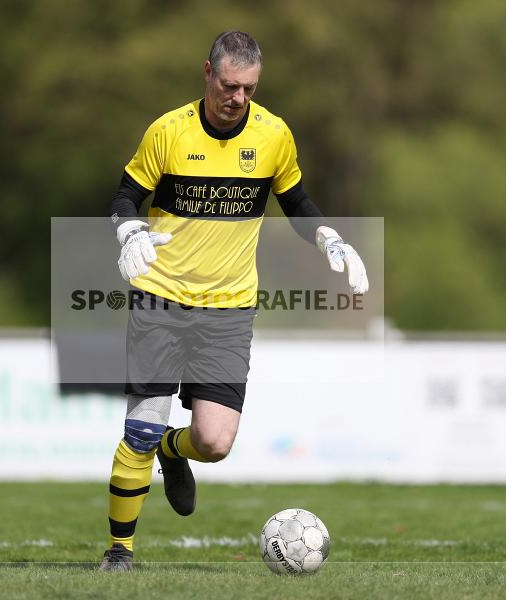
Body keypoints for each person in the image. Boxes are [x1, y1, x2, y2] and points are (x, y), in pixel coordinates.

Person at [99, 31, 368, 571]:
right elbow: (125, 194)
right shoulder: (168, 132)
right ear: (207, 73)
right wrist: (129, 232)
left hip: (228, 309)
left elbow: (295, 201)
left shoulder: (274, 136)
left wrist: (331, 239)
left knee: (215, 441)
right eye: (229, 85)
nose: (237, 97)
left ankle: (173, 455)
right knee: (141, 428)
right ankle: (119, 553)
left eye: (248, 88)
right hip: (161, 298)